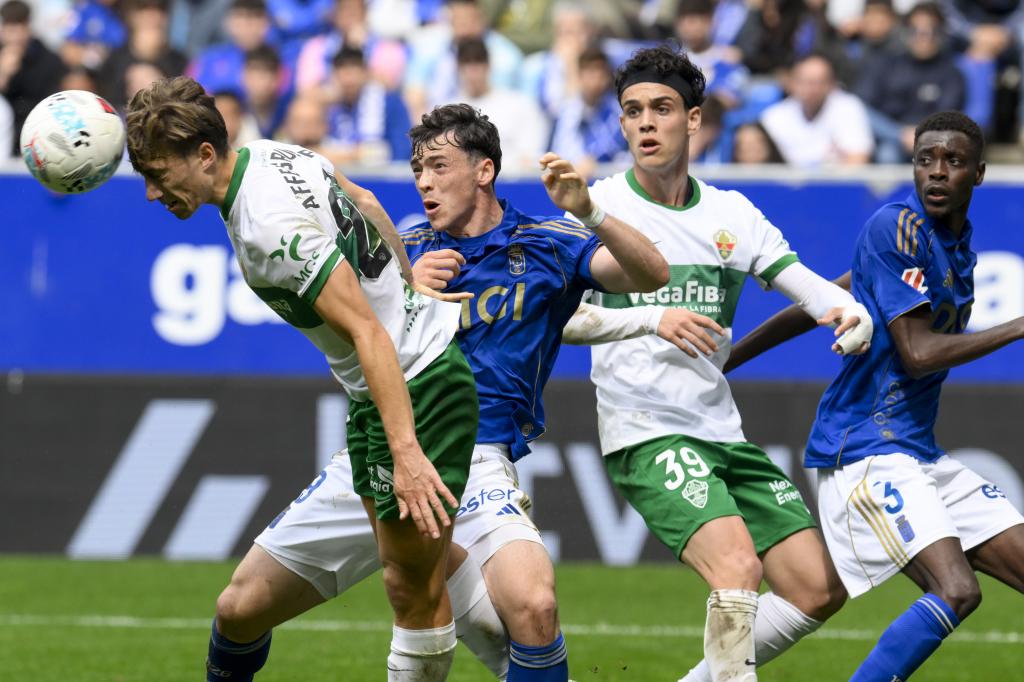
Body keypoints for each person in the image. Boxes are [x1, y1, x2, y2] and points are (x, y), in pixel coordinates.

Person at [125, 75, 479, 682]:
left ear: (204, 154)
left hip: (414, 385)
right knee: (241, 608)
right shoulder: (272, 154)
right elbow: (364, 199)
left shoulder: (267, 230)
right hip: (381, 395)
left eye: (160, 175)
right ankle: (526, 634)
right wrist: (407, 284)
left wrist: (406, 451)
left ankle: (533, 648)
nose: (154, 195)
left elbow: (369, 333)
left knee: (411, 588)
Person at [556, 45, 875, 681]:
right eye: (632, 111)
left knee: (817, 588)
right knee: (736, 570)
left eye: (662, 109)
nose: (646, 123)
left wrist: (850, 312)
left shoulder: (733, 214)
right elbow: (555, 322)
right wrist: (649, 317)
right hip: (647, 430)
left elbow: (810, 289)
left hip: (720, 430)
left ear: (694, 119)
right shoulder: (592, 206)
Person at [722, 110, 1024, 681]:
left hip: (917, 452)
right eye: (925, 159)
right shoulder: (895, 226)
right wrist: (1016, 327)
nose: (937, 172)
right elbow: (918, 352)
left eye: (953, 162)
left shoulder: (958, 247)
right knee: (956, 589)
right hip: (863, 448)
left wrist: (731, 359)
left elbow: (823, 298)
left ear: (978, 174)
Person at [403, 102, 669, 681]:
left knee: (532, 609)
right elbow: (341, 329)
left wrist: (590, 210)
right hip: (387, 457)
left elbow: (653, 275)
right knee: (241, 605)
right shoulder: (405, 245)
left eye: (439, 166)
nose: (424, 180)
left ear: (484, 171)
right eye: (417, 168)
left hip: (477, 458)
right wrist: (400, 286)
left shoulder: (548, 242)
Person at [759, 52, 874, 167]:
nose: (813, 89)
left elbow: (858, 160)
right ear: (792, 83)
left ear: (832, 84)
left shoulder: (848, 108)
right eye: (806, 82)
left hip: (834, 183)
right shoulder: (774, 116)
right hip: (785, 183)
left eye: (819, 82)